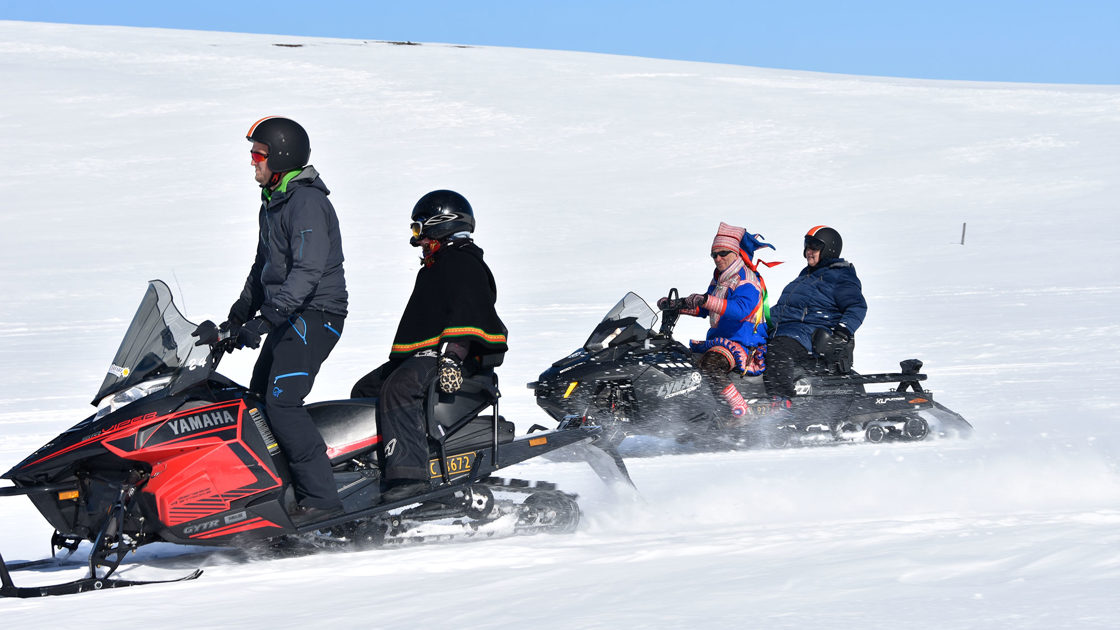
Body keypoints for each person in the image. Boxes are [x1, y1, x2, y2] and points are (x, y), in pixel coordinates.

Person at [199, 116, 348, 524]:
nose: (252, 162)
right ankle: (279, 491)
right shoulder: (274, 200)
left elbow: (308, 271)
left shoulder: (307, 203)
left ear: (280, 156)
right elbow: (262, 267)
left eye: (258, 154)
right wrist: (236, 319)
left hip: (318, 313)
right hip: (290, 311)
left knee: (282, 403)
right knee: (258, 400)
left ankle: (322, 501)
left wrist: (267, 319)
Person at [351, 190, 507, 503]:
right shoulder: (439, 265)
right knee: (365, 389)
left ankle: (409, 475)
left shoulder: (462, 263)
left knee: (400, 386)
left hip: (454, 358)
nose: (417, 239)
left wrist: (452, 358)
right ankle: (375, 465)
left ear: (440, 225)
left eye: (418, 229)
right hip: (432, 356)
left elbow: (468, 313)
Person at [659, 222, 778, 417]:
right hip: (722, 341)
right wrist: (677, 306)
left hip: (743, 343)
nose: (718, 258)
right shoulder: (721, 279)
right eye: (714, 255)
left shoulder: (747, 280)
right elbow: (705, 308)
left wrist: (707, 300)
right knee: (684, 364)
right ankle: (698, 416)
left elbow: (740, 310)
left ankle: (740, 409)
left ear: (735, 253)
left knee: (710, 365)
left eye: (723, 253)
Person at [764, 225, 867, 398]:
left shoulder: (840, 275)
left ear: (829, 249)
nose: (808, 251)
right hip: (785, 331)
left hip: (809, 334)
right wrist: (756, 319)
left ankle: (781, 404)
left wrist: (843, 330)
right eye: (807, 246)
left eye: (814, 247)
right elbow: (786, 309)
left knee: (778, 351)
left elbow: (857, 306)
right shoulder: (807, 275)